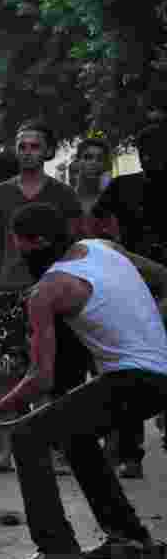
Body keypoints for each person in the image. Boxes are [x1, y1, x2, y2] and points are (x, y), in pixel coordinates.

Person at [0, 204, 167, 559]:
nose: (20, 256)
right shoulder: (106, 248)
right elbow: (162, 278)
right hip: (156, 376)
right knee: (76, 436)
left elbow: (41, 377)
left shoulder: (48, 289)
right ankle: (129, 538)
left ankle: (57, 549)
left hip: (133, 379)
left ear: (37, 243)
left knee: (27, 435)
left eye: (19, 247)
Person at [0, 120, 84, 473]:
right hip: (8, 293)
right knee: (7, 371)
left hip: (55, 291)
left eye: (35, 146)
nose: (28, 152)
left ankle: (57, 450)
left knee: (58, 372)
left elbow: (78, 247)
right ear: (14, 151)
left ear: (47, 151)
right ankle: (5, 451)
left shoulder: (63, 195)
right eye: (22, 146)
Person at [91, 123, 167, 474]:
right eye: (147, 152)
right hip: (139, 282)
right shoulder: (123, 186)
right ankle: (130, 450)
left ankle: (130, 452)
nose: (151, 159)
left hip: (135, 282)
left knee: (132, 364)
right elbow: (96, 222)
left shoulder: (124, 186)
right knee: (135, 364)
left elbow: (95, 223)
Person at [74, 138, 110, 238]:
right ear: (77, 162)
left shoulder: (113, 200)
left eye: (100, 159)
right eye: (88, 157)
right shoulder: (67, 199)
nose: (94, 162)